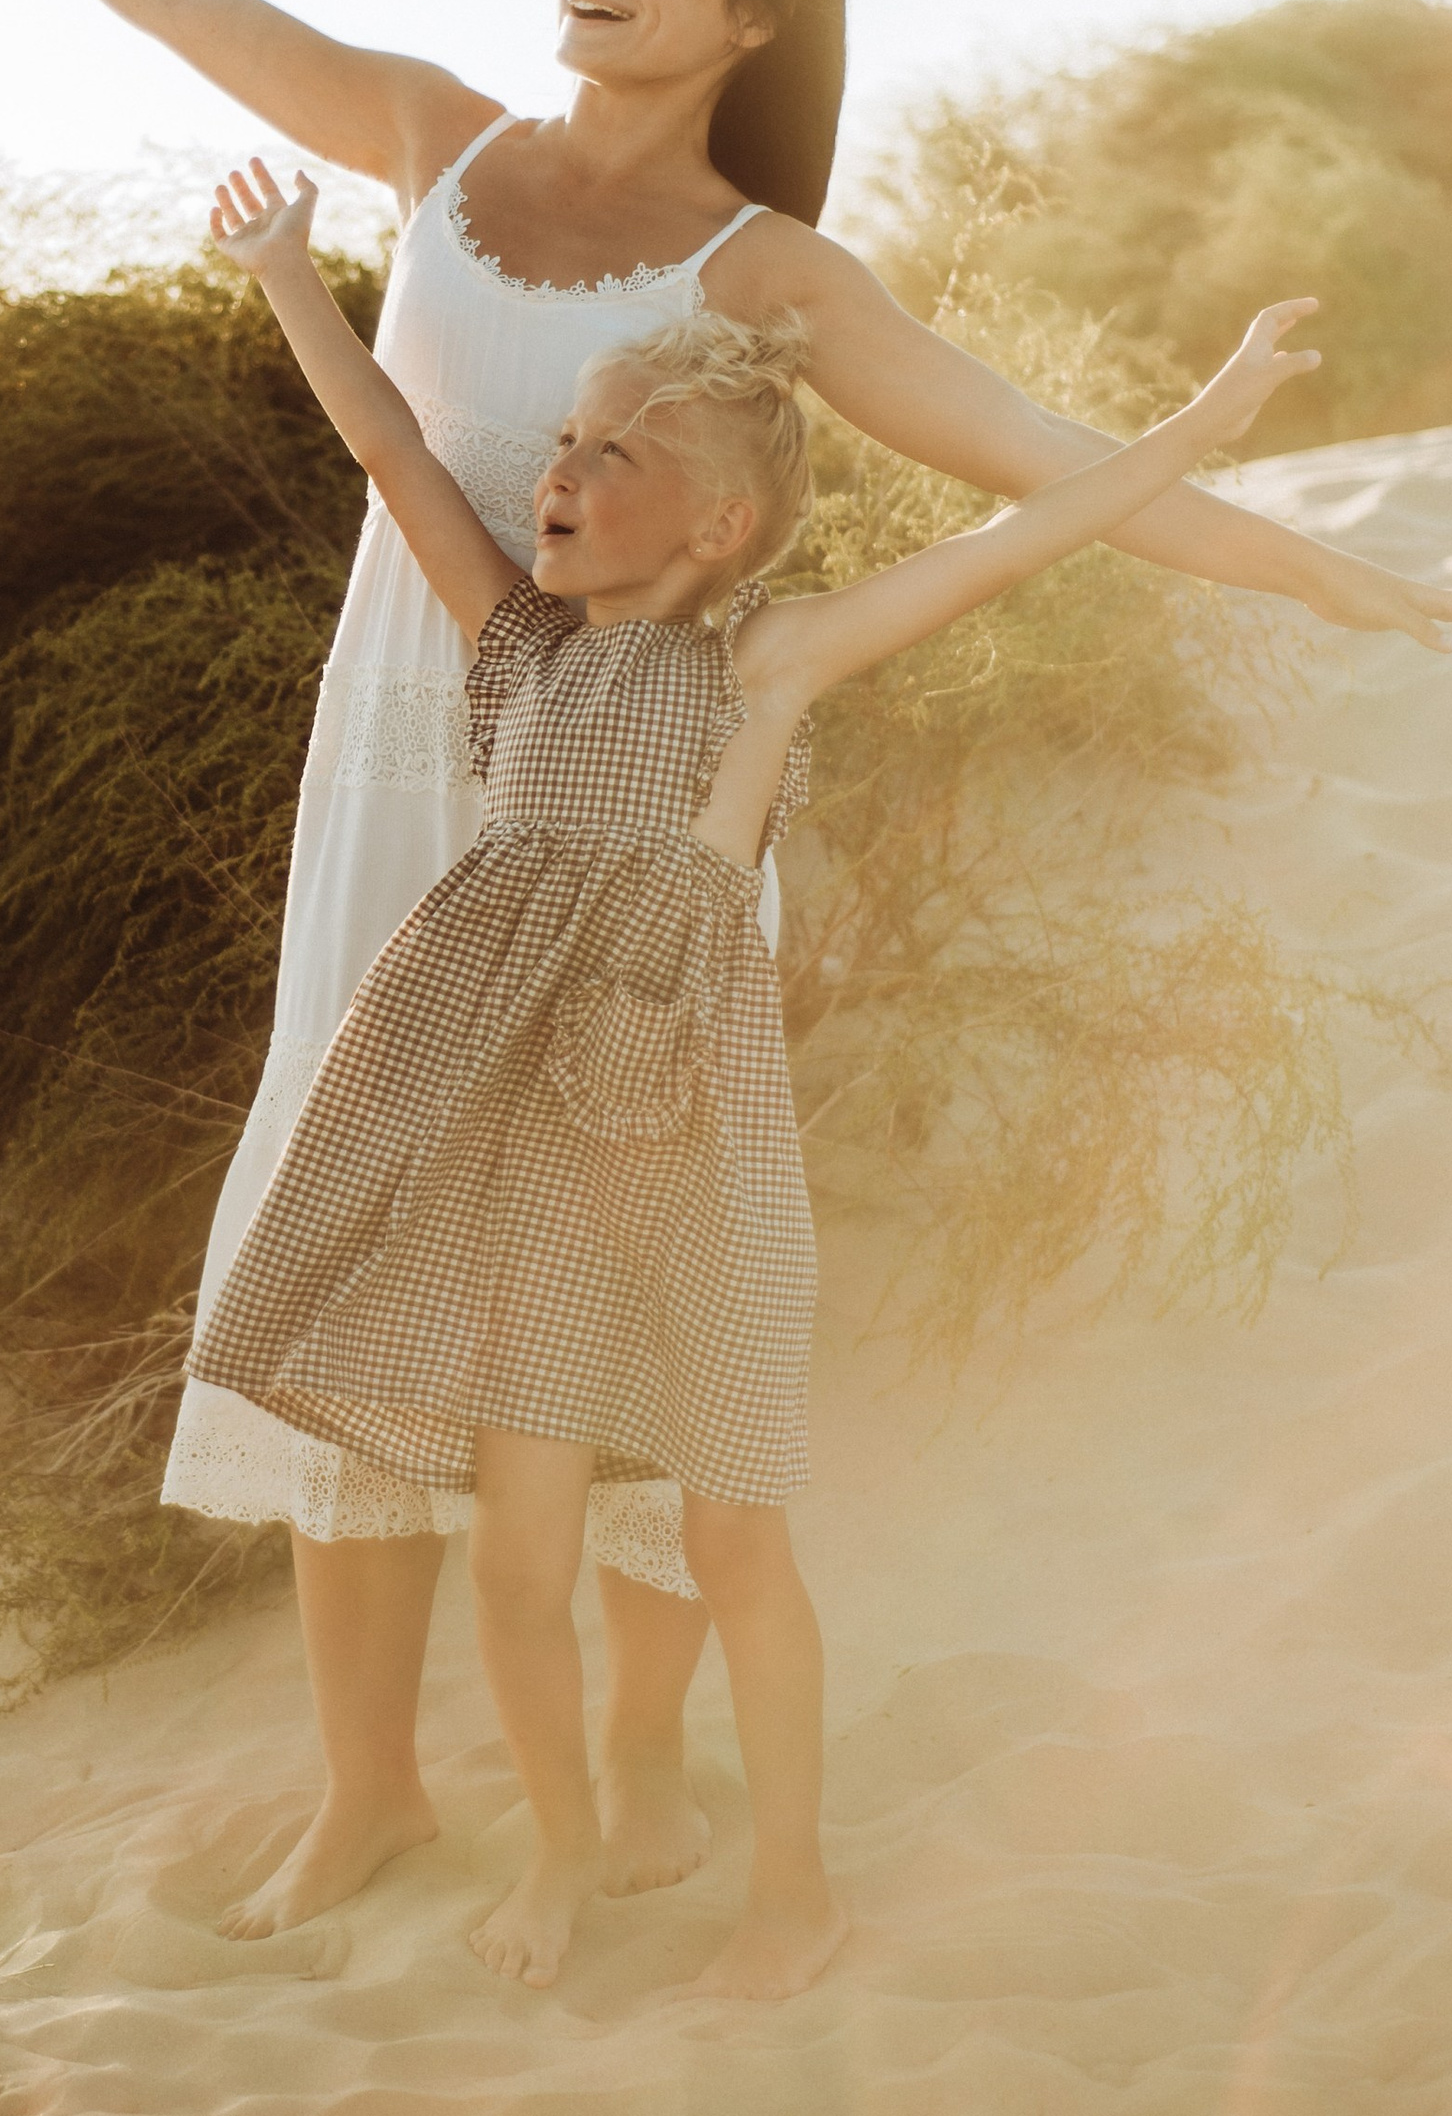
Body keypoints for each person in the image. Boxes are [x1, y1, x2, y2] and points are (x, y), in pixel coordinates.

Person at [0, 0, 1452, 1943]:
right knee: (345, 1209)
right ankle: (364, 1791)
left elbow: (1035, 454)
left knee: (615, 1266)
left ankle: (632, 1775)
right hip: (410, 753)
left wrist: (1306, 566)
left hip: (635, 811)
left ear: (748, 22)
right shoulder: (437, 142)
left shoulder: (767, 272)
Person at [194, 158, 1322, 1994]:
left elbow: (1025, 535)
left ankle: (794, 1883)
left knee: (732, 1539)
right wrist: (281, 275)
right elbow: (396, 453)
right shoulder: (516, 647)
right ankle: (561, 1853)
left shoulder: (768, 668)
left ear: (719, 527)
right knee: (514, 1552)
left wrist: (1218, 408)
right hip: (515, 1152)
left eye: (608, 456)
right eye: (566, 441)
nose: (555, 474)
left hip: (681, 1154)